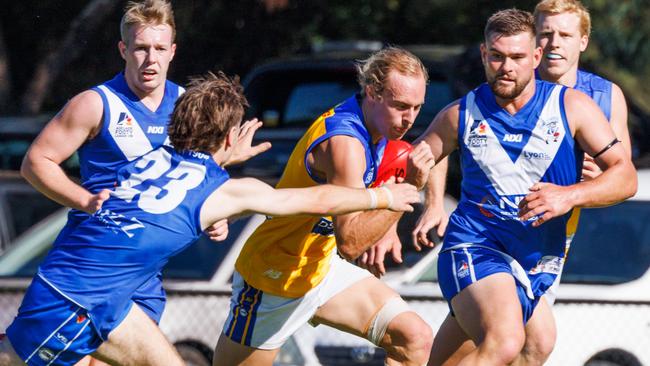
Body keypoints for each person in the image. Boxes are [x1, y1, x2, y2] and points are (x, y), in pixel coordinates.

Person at [0, 71, 421, 366]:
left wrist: (223, 159)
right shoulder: (224, 191)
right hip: (74, 304)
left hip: (99, 294)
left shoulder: (150, 157)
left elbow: (182, 181)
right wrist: (383, 194)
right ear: (225, 137)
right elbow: (313, 199)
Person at [18, 2, 267, 364]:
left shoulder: (188, 106)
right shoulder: (96, 103)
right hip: (91, 266)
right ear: (123, 49)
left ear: (173, 52)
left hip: (144, 274)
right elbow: (36, 162)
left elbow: (200, 174)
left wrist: (216, 216)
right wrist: (84, 199)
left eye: (159, 49)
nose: (150, 59)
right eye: (140, 48)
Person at [413, 9, 636, 366]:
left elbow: (625, 177)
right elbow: (423, 156)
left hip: (535, 257)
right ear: (484, 55)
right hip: (476, 246)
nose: (506, 67)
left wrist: (569, 195)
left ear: (535, 57)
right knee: (505, 340)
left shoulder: (574, 106)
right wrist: (429, 203)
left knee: (537, 344)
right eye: (497, 57)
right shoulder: (460, 113)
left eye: (517, 57)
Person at [215, 47, 436, 366]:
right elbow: (351, 242)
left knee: (413, 338)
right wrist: (407, 192)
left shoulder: (379, 125)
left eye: (417, 107)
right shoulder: (346, 143)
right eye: (400, 106)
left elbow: (434, 146)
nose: (409, 118)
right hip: (276, 274)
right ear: (372, 92)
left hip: (319, 268)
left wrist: (390, 225)